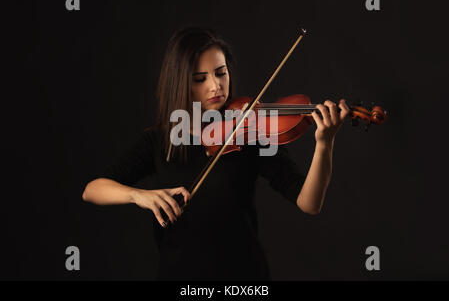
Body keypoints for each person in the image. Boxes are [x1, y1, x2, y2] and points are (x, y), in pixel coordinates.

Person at [82, 27, 350, 280]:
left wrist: (324, 144)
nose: (215, 86)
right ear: (181, 83)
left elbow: (309, 202)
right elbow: (93, 189)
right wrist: (138, 195)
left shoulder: (251, 131)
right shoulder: (160, 140)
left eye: (221, 73)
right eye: (200, 79)